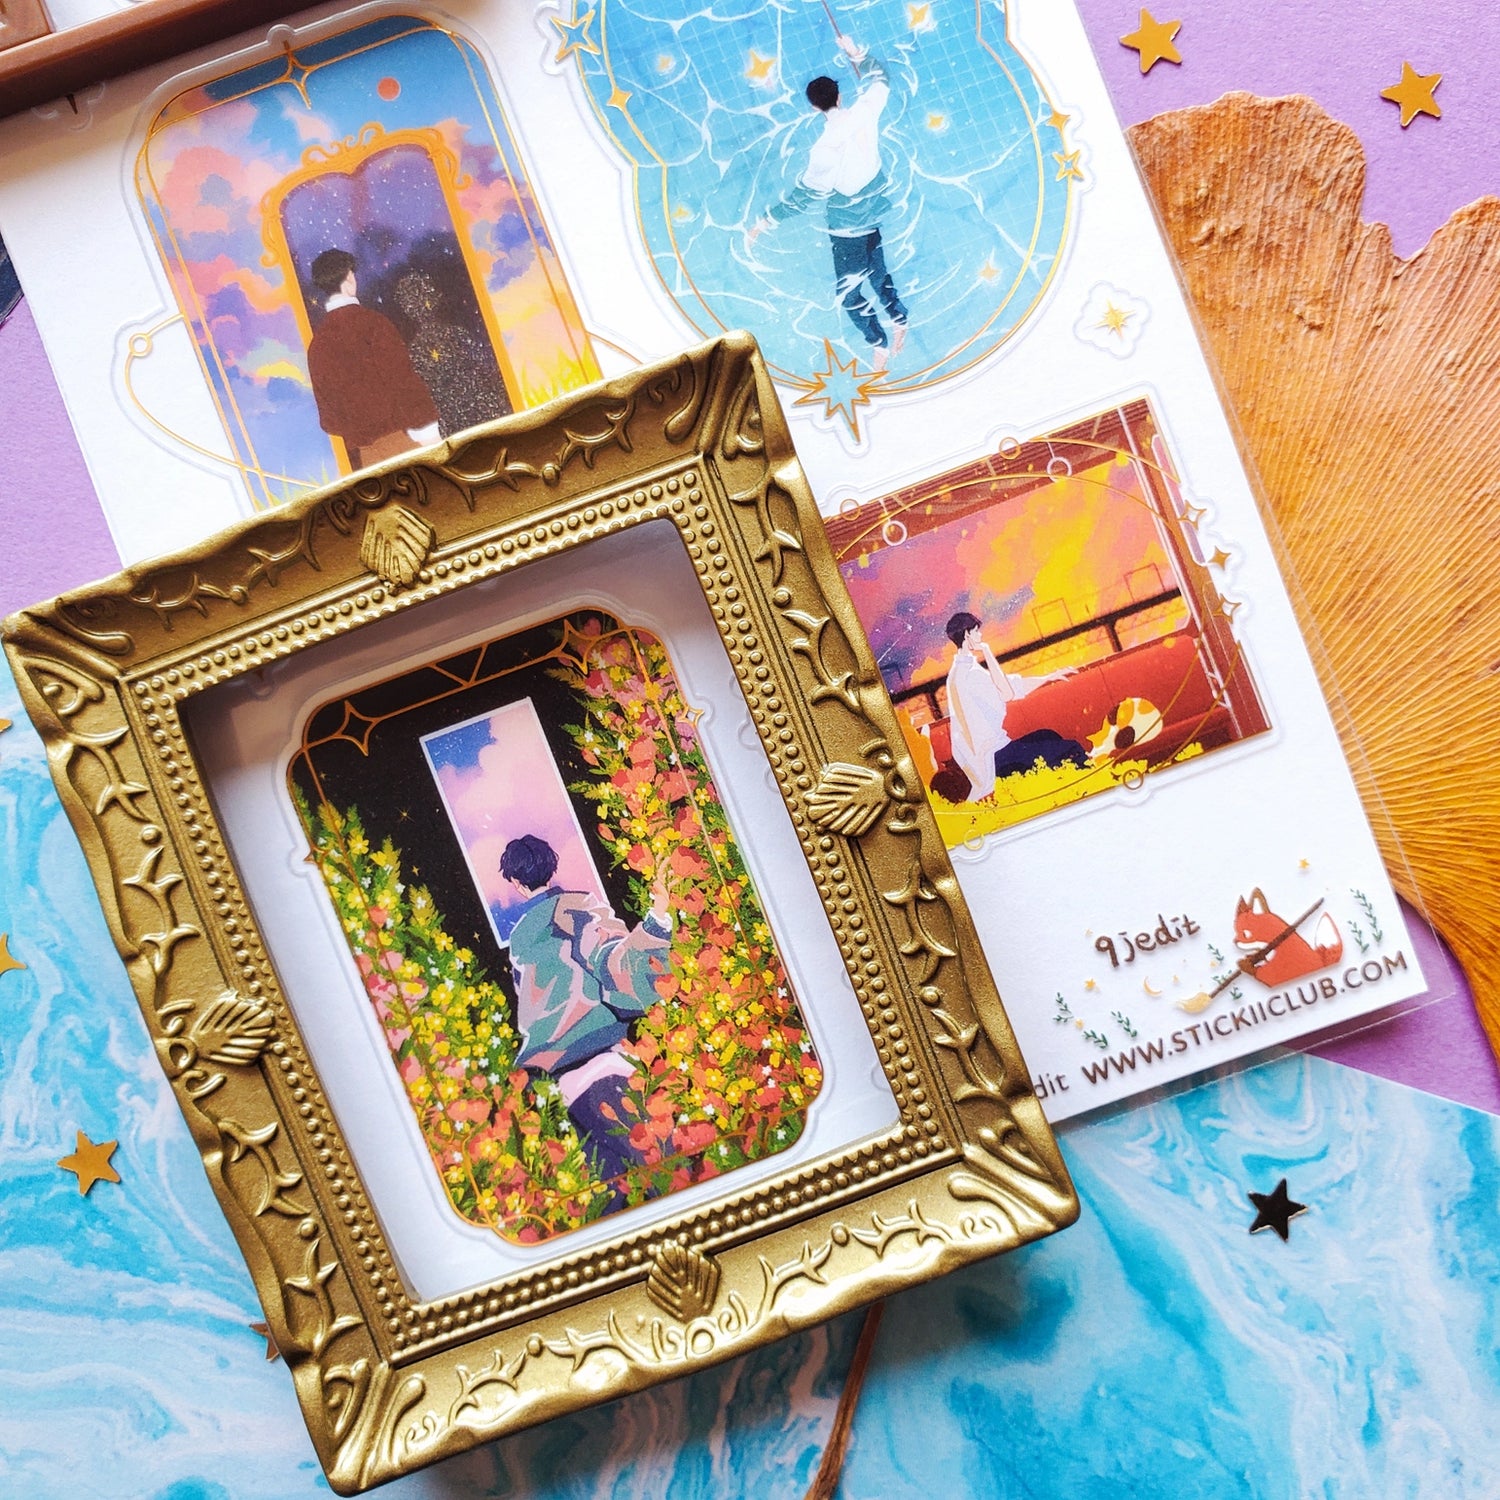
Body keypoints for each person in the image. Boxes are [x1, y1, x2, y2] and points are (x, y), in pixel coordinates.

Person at [499, 834, 672, 1183]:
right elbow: (612, 960)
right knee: (663, 1172)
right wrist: (657, 921)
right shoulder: (575, 909)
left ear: (516, 883)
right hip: (600, 1063)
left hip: (553, 1083)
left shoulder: (520, 941)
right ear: (552, 868)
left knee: (612, 1192)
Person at [747, 34, 909, 370]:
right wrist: (855, 51)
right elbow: (881, 77)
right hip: (873, 212)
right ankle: (898, 319)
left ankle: (877, 342)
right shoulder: (865, 111)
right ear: (839, 95)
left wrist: (765, 221)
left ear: (814, 107)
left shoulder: (823, 149)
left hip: (847, 227)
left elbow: (806, 196)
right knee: (878, 274)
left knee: (849, 294)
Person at [304, 249, 442, 469]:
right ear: (349, 279)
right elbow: (403, 380)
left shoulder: (317, 347)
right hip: (406, 442)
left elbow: (329, 420)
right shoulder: (373, 324)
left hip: (367, 458)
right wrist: (429, 434)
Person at [942, 611, 1088, 801]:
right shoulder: (969, 674)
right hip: (994, 759)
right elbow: (1007, 692)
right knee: (1072, 748)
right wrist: (986, 651)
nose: (980, 635)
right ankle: (1085, 793)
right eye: (976, 631)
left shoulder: (961, 671)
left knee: (1047, 735)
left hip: (991, 754)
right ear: (967, 634)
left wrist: (1048, 677)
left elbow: (1006, 685)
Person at [394, 270, 511, 439]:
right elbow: (484, 368)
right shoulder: (455, 334)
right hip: (480, 409)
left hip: (456, 420)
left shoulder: (415, 351)